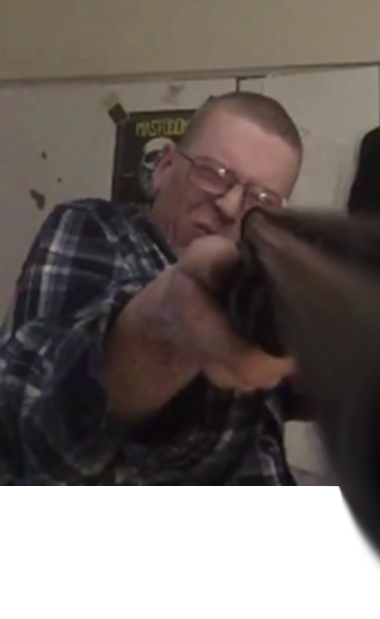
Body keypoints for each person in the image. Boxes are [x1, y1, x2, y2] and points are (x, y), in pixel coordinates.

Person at [0, 91, 308, 567]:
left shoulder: (261, 292)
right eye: (214, 173)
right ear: (164, 167)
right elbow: (40, 440)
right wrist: (166, 319)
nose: (230, 207)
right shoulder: (96, 227)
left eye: (260, 200)